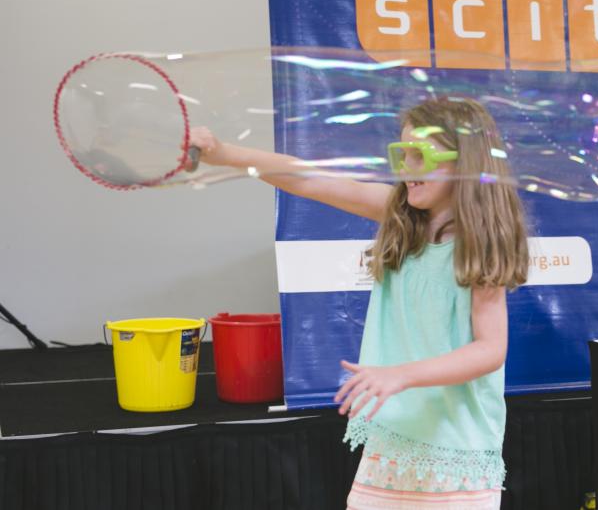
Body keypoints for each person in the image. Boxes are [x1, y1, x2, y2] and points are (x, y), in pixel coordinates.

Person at [190, 97, 529, 509]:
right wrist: (224, 154)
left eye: (418, 155)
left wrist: (402, 375)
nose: (405, 168)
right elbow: (309, 179)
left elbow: (490, 349)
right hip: (397, 440)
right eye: (400, 154)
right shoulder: (398, 216)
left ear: (465, 164)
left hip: (456, 448)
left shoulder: (480, 247)